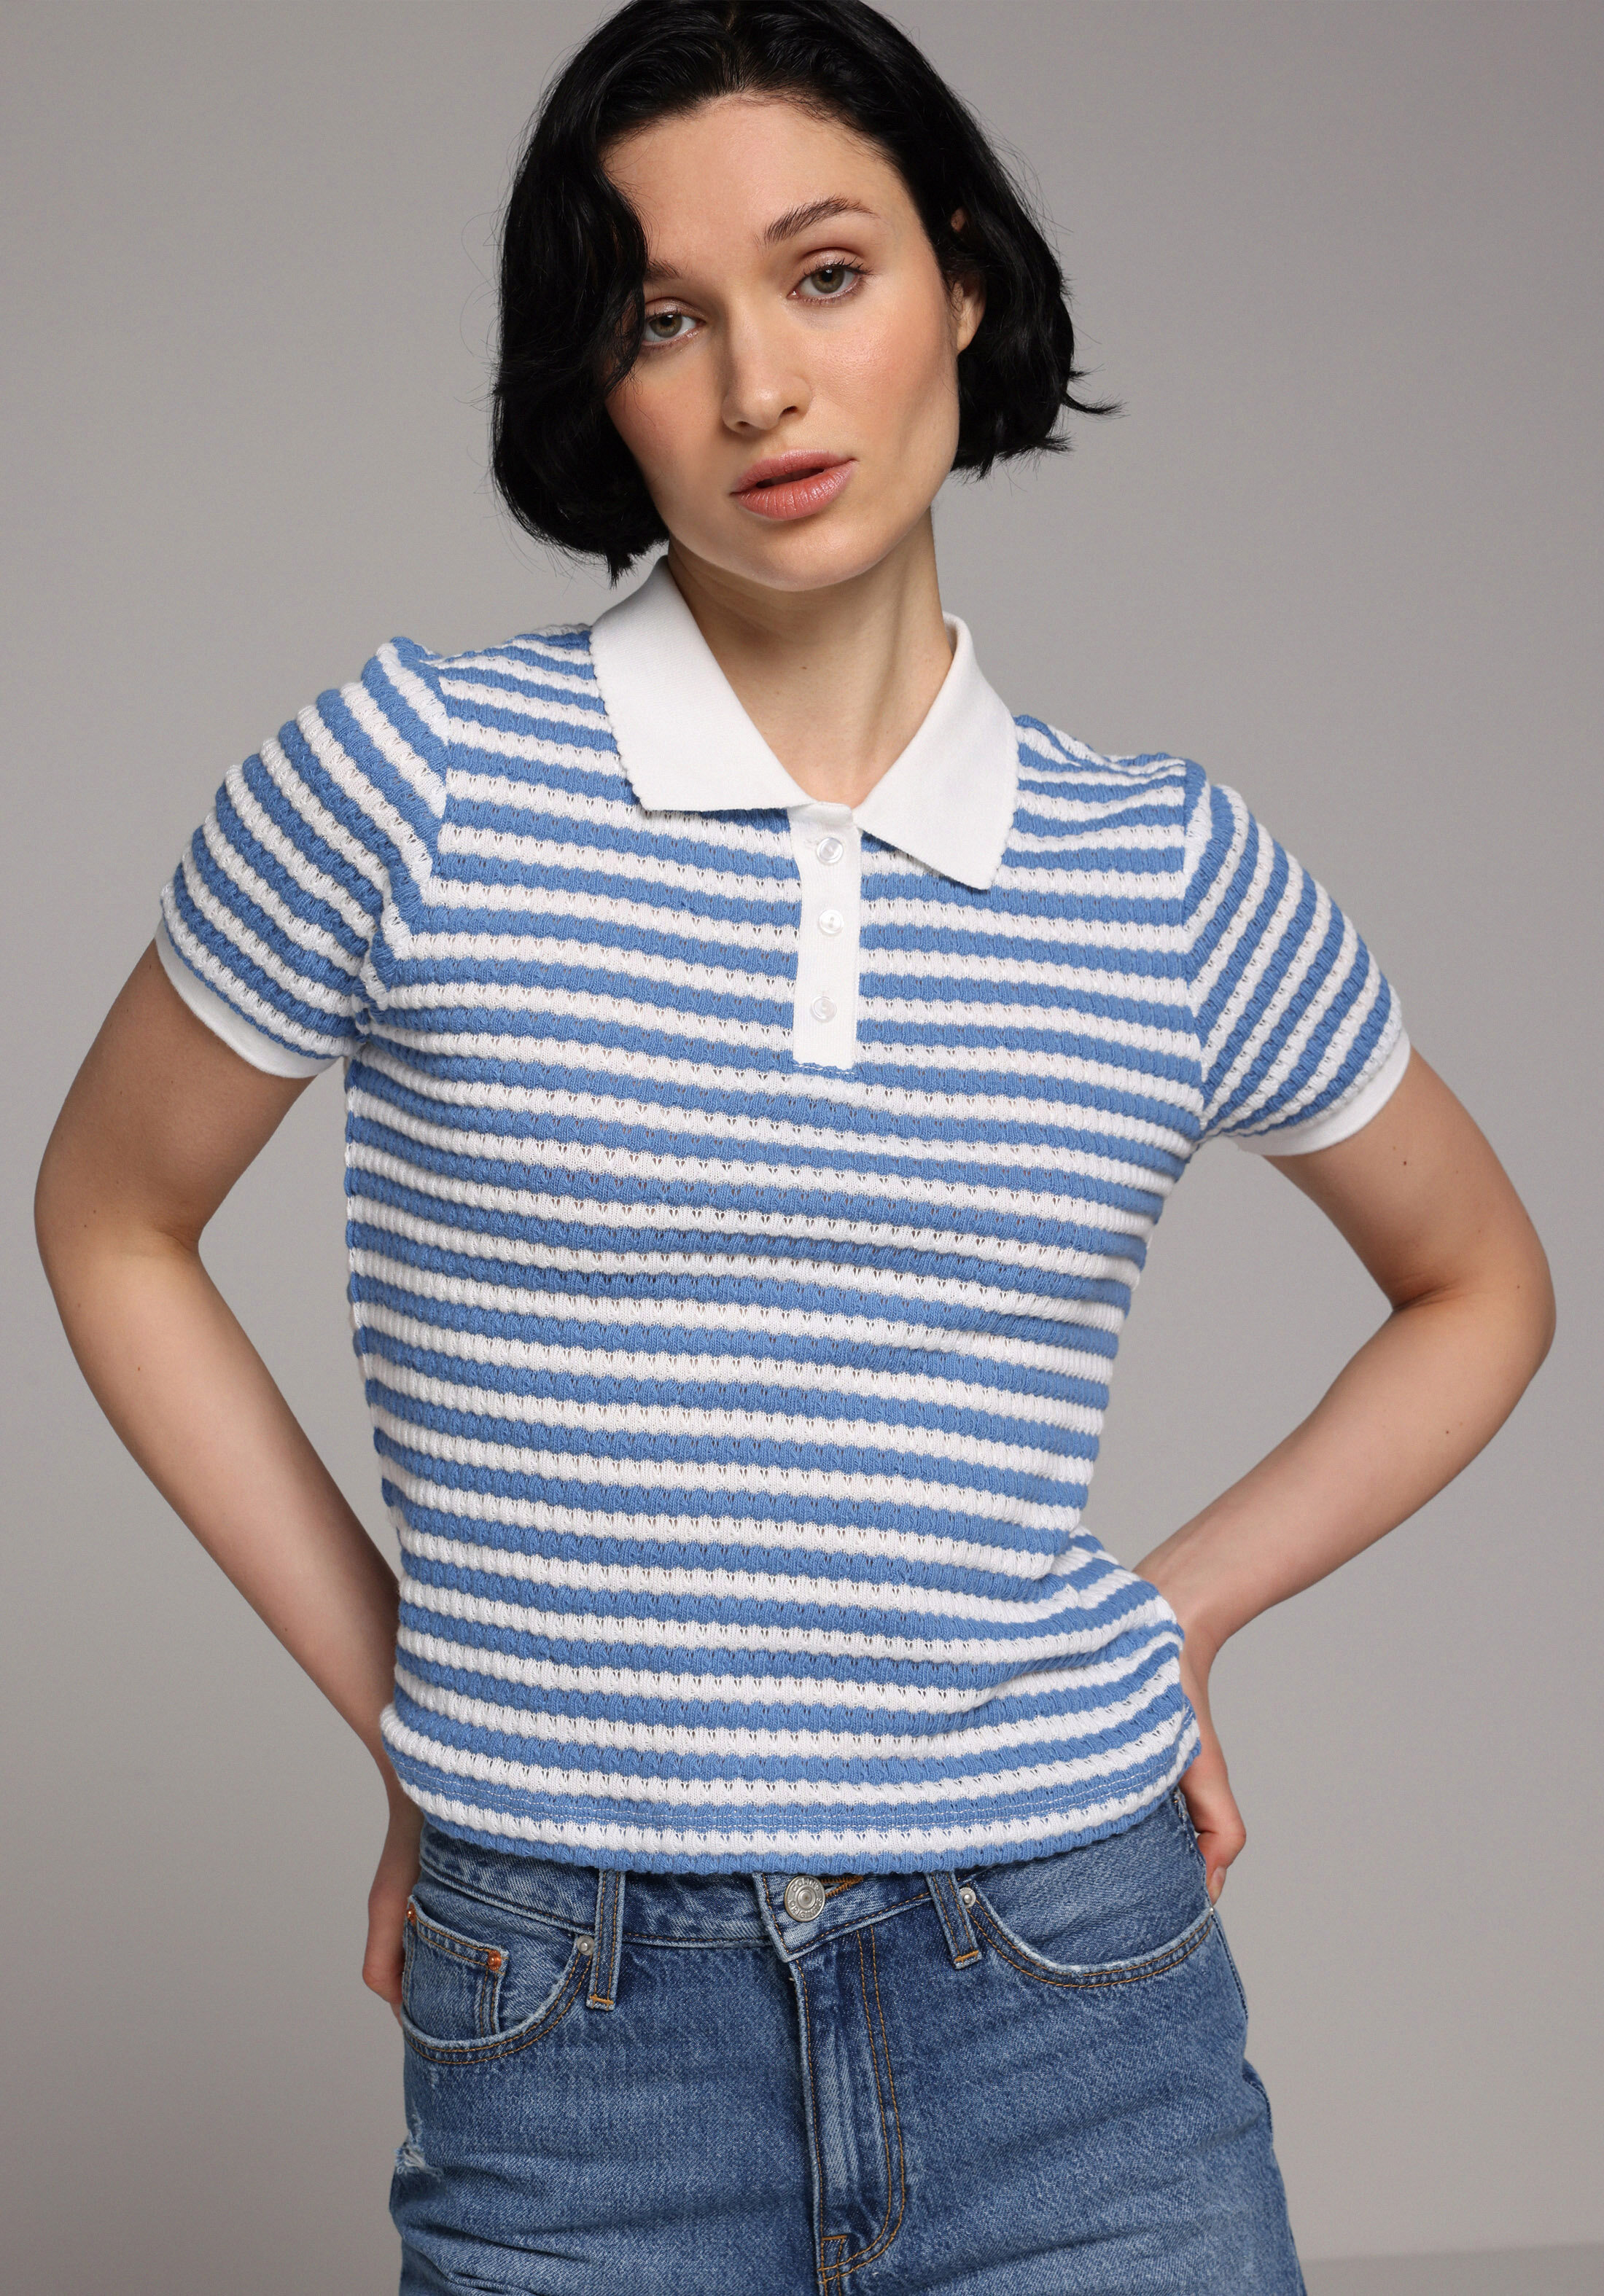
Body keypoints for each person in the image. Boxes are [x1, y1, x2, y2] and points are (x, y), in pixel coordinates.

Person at [34, 1, 1554, 2289]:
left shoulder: (1159, 872)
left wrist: (1179, 1615)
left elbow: (1485, 1282)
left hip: (1076, 2003)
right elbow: (110, 1216)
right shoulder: (407, 780)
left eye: (826, 273)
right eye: (664, 317)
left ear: (963, 284)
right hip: (577, 2039)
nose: (759, 385)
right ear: (598, 384)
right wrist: (421, 1717)